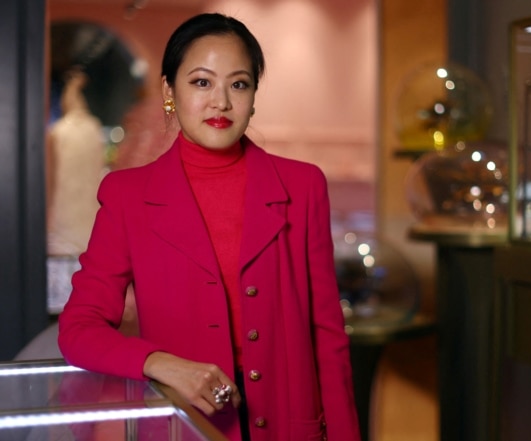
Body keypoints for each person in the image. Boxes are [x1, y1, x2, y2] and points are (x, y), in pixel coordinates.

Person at [58, 12, 361, 441]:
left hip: (290, 428)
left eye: (238, 84)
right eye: (201, 82)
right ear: (169, 90)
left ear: (254, 95)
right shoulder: (127, 196)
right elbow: (78, 331)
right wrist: (161, 362)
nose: (220, 101)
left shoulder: (303, 185)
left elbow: (327, 337)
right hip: (185, 427)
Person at [46, 67, 106, 313]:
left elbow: (50, 182)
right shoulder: (94, 130)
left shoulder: (57, 133)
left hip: (61, 222)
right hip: (90, 223)